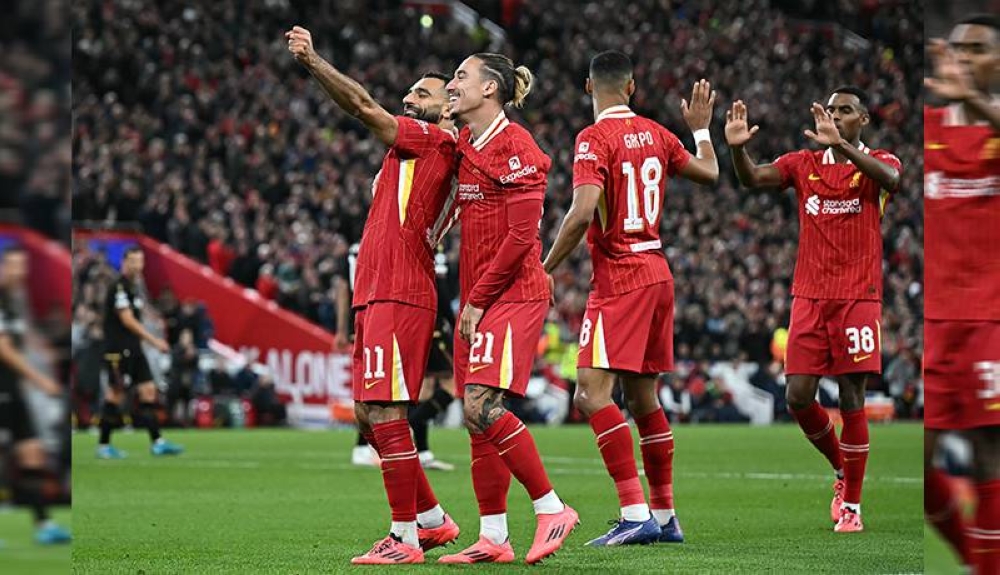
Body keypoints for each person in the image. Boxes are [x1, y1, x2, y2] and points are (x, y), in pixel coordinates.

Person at [287, 25, 460, 565]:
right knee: (367, 413)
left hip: (399, 292)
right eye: (409, 93)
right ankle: (431, 521)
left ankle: (404, 537)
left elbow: (363, 107)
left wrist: (314, 61)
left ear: (449, 109)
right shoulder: (414, 153)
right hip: (378, 291)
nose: (409, 99)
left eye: (422, 94)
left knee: (384, 412)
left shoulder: (436, 140)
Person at [542, 50, 719, 546]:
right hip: (659, 273)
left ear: (588, 87)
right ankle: (664, 518)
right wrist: (701, 128)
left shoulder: (592, 138)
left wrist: (543, 267)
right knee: (643, 399)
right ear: (633, 87)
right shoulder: (660, 134)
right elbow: (710, 173)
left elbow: (581, 213)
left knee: (590, 394)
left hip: (621, 276)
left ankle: (634, 512)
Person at [725, 85, 902, 533]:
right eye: (832, 110)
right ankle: (843, 470)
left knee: (851, 397)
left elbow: (893, 181)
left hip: (858, 297)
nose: (837, 116)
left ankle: (853, 508)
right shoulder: (803, 165)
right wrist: (738, 151)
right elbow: (752, 179)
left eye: (846, 111)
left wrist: (841, 145)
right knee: (798, 397)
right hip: (809, 297)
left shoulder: (880, 162)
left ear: (862, 119)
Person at [437, 53, 577, 566]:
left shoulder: (517, 146)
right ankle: (493, 535)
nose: (453, 84)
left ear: (491, 88)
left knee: (480, 406)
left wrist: (474, 301)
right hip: (476, 297)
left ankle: (552, 507)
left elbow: (522, 238)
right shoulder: (467, 144)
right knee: (475, 421)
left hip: (512, 295)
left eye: (460, 77)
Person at [923, 15, 1000, 573]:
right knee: (922, 474)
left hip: (988, 319)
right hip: (933, 322)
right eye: (959, 49)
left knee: (987, 455)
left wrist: (976, 100)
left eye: (979, 50)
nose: (966, 59)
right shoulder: (928, 126)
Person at [0, 245, 72, 544]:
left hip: (13, 387)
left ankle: (43, 525)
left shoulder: (14, 301)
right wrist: (40, 379)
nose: (20, 272)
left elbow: (20, 338)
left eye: (23, 266)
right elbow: (3, 349)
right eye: (14, 266)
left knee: (32, 455)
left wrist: (42, 349)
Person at [97, 246, 184, 459]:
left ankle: (157, 442)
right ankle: (104, 445)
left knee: (148, 391)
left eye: (140, 261)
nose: (137, 265)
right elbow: (127, 320)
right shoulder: (118, 287)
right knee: (116, 395)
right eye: (133, 261)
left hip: (134, 349)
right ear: (125, 263)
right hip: (119, 350)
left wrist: (152, 318)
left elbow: (137, 311)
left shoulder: (133, 287)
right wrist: (154, 340)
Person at [409, 248, 458, 471]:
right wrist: (454, 322)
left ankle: (423, 452)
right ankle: (413, 422)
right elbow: (441, 290)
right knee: (454, 385)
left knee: (425, 390)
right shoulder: (434, 245)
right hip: (435, 330)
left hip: (418, 328)